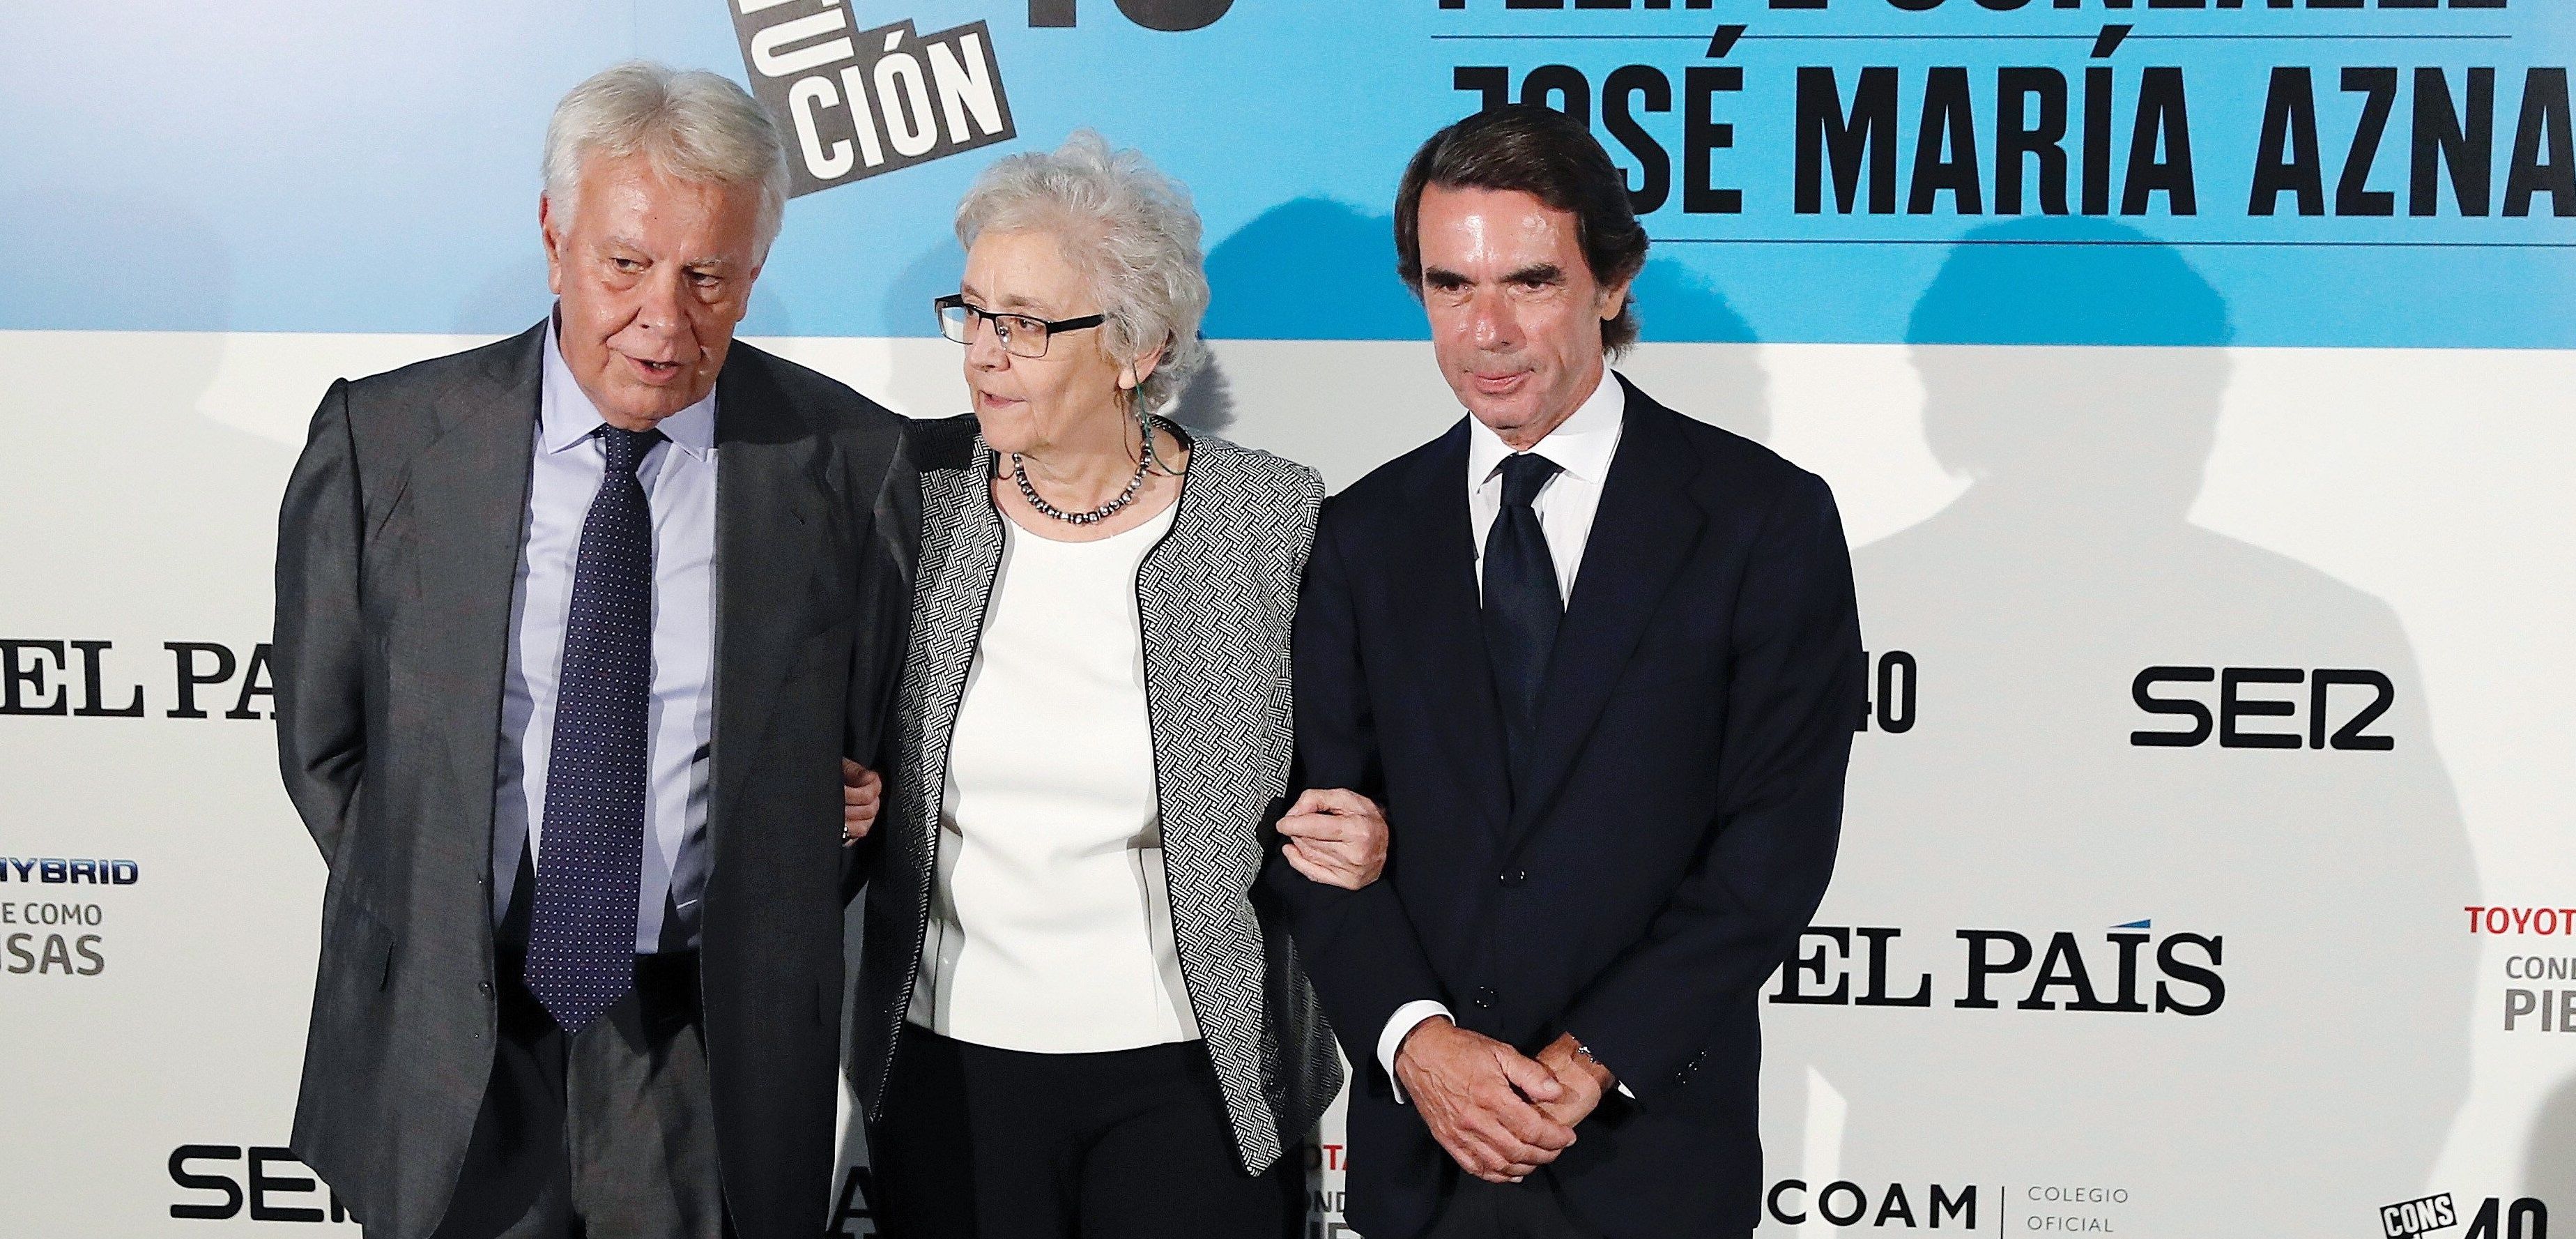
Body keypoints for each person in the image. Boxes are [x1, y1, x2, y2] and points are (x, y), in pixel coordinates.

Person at [271, 62, 912, 1239]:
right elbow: (325, 742)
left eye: (707, 275)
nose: (663, 319)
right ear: (554, 231)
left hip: (702, 1046)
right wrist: (437, 904)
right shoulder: (386, 437)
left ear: (754, 270)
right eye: (625, 264)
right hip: (452, 1032)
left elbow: (872, 758)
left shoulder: (852, 462)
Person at [1266, 104, 1866, 1239]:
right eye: (1451, 287)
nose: (1486, 331)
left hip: (1649, 1156)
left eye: (1529, 283)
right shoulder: (1359, 532)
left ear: (1612, 282)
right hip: (1425, 1162)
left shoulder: (1762, 520)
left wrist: (1590, 1064)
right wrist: (1416, 1042)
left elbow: (1772, 850)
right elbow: (1317, 833)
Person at [848, 132, 1370, 1239]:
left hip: (1190, 1076)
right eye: (973, 313)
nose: (983, 354)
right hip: (948, 1068)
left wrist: (1360, 823)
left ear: (1137, 346)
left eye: (1027, 325)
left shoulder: (1266, 519)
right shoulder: (916, 499)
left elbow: (1348, 766)